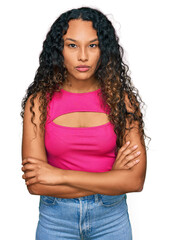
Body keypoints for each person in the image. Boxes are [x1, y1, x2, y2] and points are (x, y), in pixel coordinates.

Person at [20, 6, 147, 240]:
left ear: (103, 49)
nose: (83, 56)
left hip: (111, 219)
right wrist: (112, 178)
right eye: (72, 45)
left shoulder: (123, 102)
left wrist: (60, 175)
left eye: (92, 45)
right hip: (56, 220)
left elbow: (134, 180)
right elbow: (36, 184)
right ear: (59, 49)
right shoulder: (38, 103)